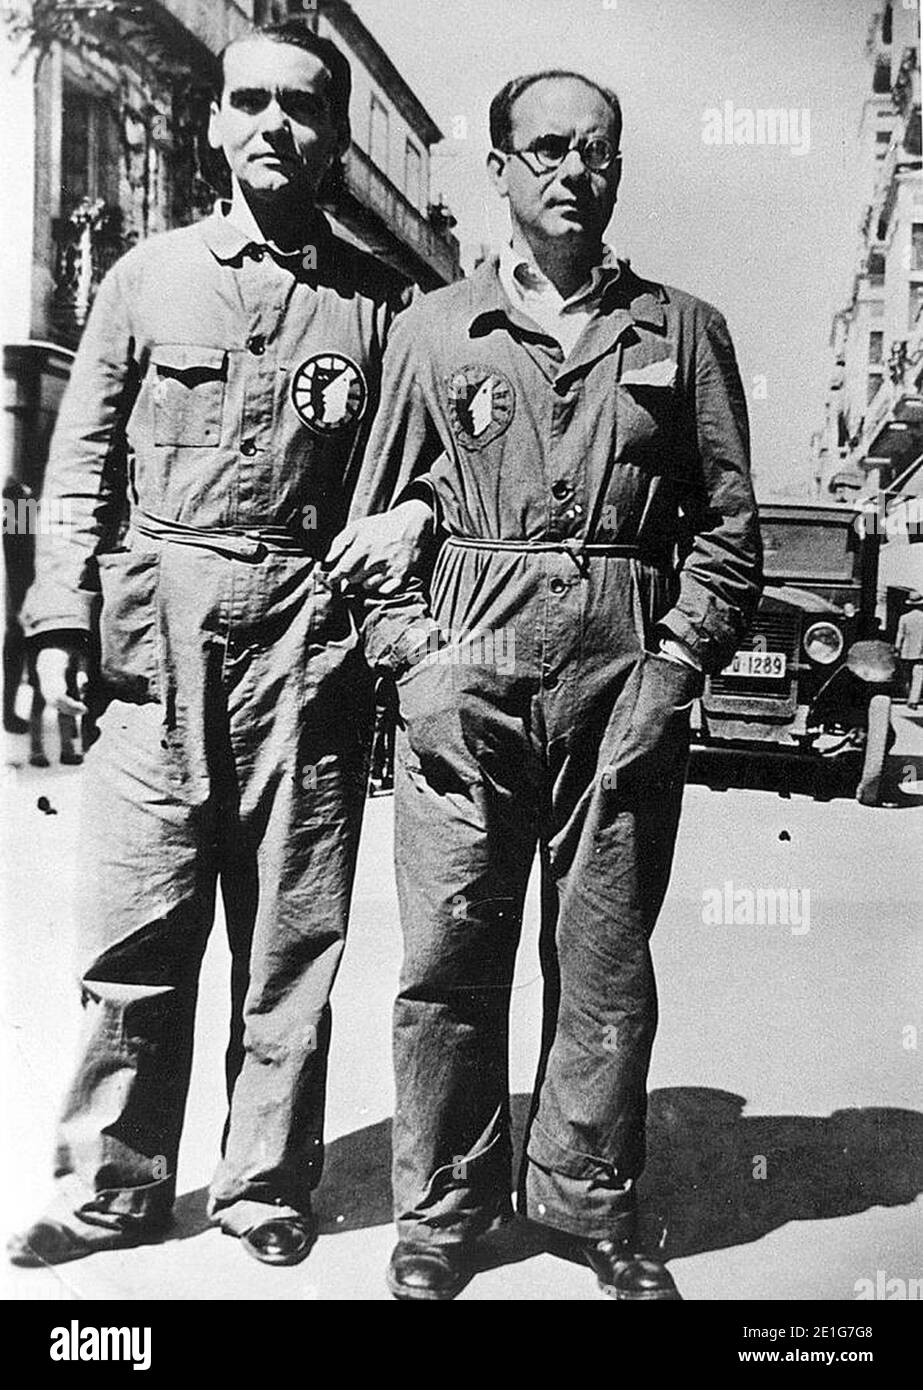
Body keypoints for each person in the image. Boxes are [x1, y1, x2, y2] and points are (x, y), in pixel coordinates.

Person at [9, 19, 432, 1270]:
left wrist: (408, 518)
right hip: (159, 643)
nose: (271, 126)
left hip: (310, 644)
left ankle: (260, 1186)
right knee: (135, 929)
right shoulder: (146, 277)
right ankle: (113, 1185)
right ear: (212, 119)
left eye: (300, 108)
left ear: (334, 135)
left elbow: (430, 466)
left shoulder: (381, 305)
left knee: (290, 940)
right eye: (248, 101)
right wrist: (53, 622)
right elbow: (78, 460)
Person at [354, 68, 763, 1300]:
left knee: (601, 957)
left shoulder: (680, 330)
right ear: (496, 172)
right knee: (448, 954)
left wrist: (677, 661)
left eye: (597, 151)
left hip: (620, 667)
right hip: (464, 671)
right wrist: (411, 662)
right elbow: (370, 526)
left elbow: (728, 528)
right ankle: (442, 1208)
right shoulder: (435, 330)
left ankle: (591, 1201)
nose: (572, 172)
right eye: (544, 150)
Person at [896, 592, 923, 709]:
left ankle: (908, 695)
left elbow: (900, 635)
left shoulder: (904, 618)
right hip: (921, 651)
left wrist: (897, 648)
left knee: (906, 676)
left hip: (906, 652)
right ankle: (913, 699)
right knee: (918, 675)